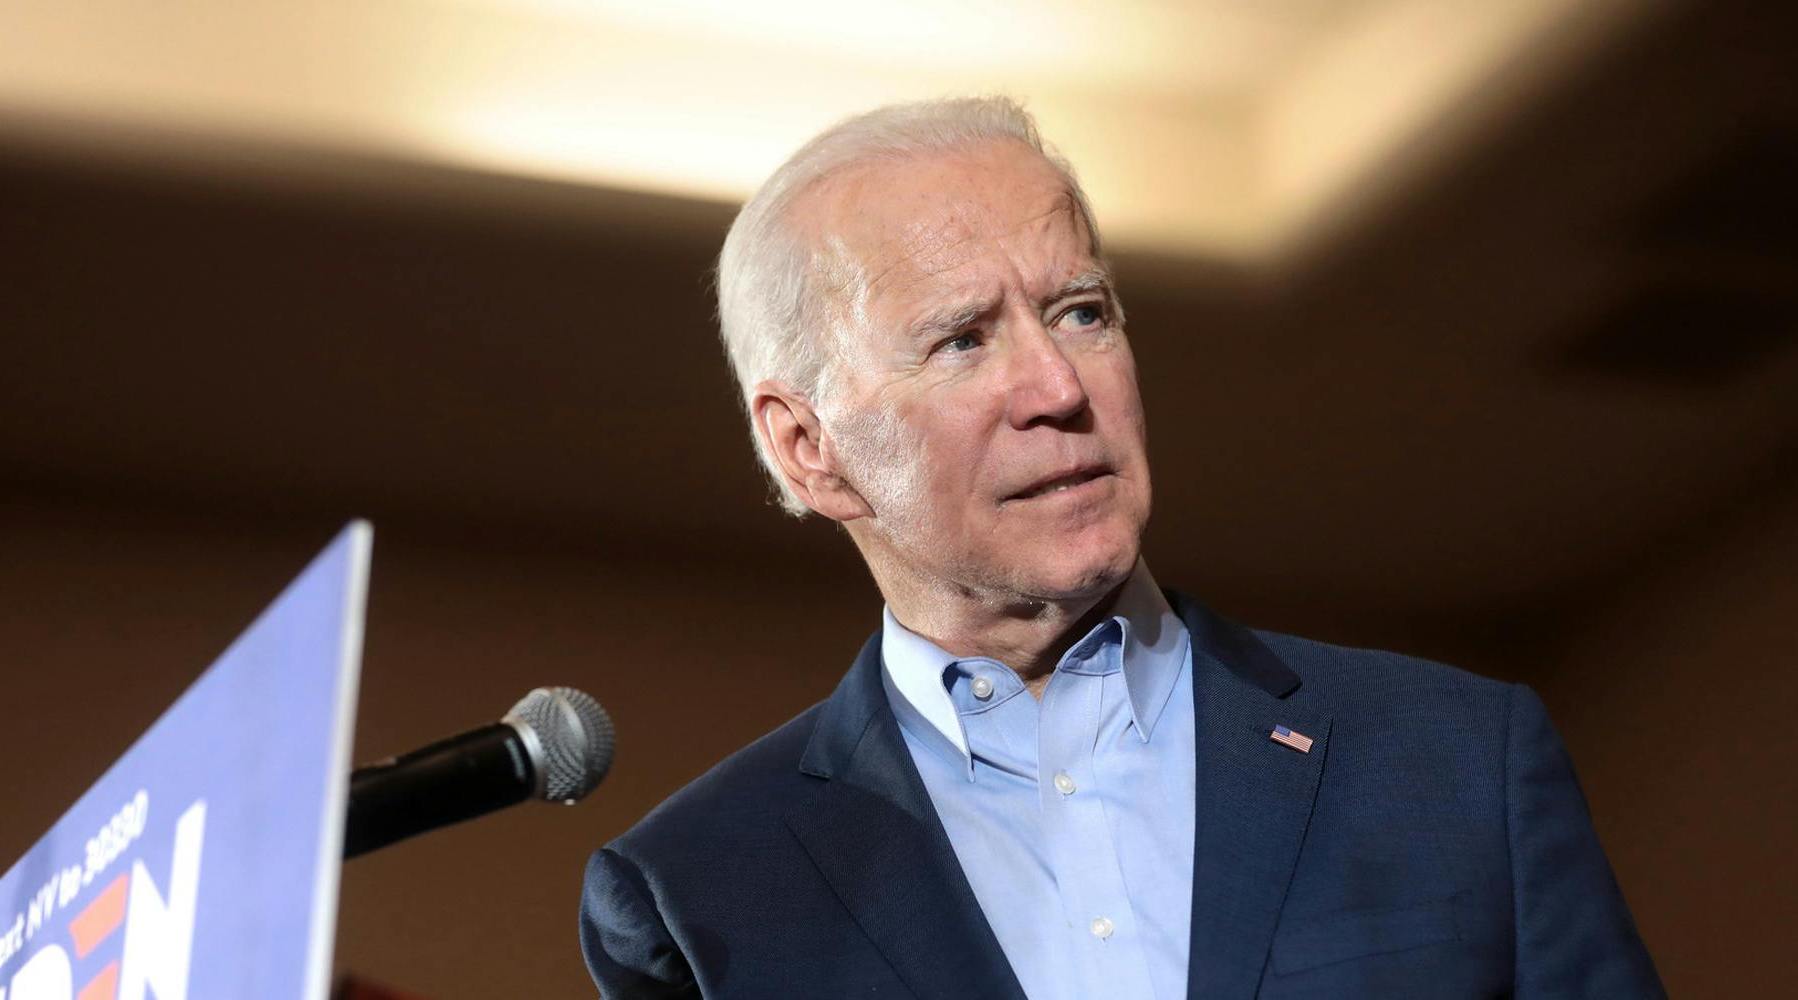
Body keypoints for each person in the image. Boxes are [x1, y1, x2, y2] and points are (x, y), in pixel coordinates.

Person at [579, 97, 1662, 999]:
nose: (1058, 389)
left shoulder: (1456, 764)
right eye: (961, 341)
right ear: (808, 446)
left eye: (1082, 312)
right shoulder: (700, 890)